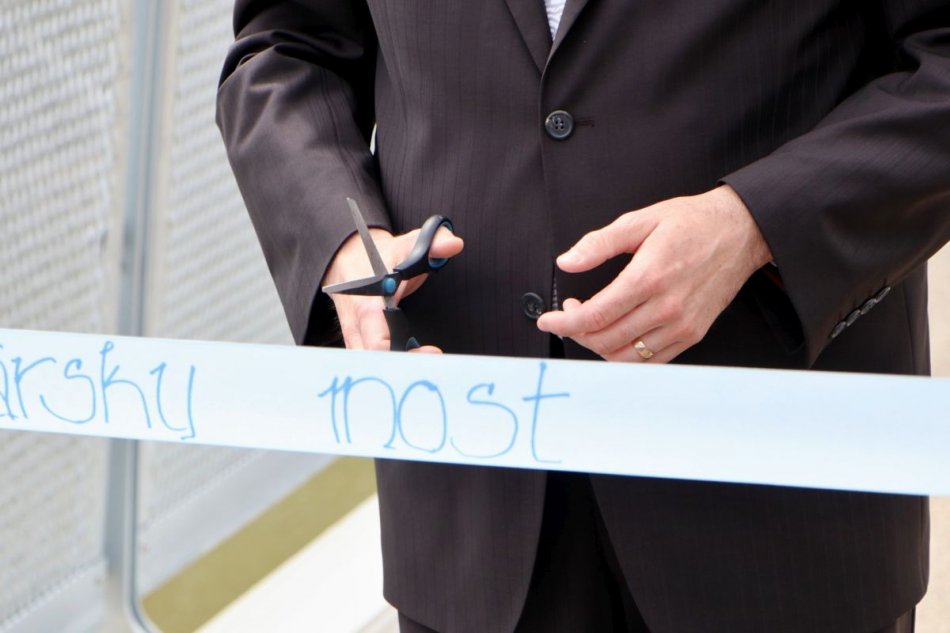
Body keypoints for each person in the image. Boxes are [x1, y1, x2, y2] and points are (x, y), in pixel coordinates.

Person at [216, 1, 950, 631]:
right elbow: (287, 46)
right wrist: (339, 237)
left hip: (784, 512)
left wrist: (754, 225)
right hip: (471, 511)